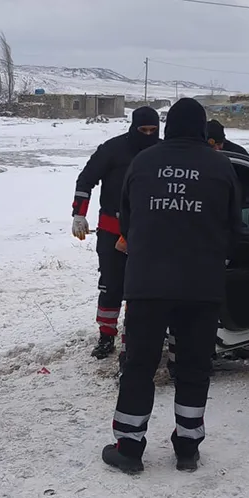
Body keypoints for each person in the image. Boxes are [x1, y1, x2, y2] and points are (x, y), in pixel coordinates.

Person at [103, 98, 240, 474]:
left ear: (167, 127)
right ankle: (187, 447)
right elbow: (234, 225)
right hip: (201, 286)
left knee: (139, 365)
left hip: (147, 285)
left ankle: (129, 448)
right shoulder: (221, 165)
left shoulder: (143, 162)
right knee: (194, 366)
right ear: (200, 128)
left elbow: (127, 222)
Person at [72, 106, 161, 359]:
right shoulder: (112, 149)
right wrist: (79, 213)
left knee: (143, 289)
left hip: (150, 233)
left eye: (152, 130)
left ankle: (134, 337)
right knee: (111, 285)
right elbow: (85, 180)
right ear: (133, 127)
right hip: (112, 231)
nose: (147, 134)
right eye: (142, 130)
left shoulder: (163, 151)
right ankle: (106, 335)